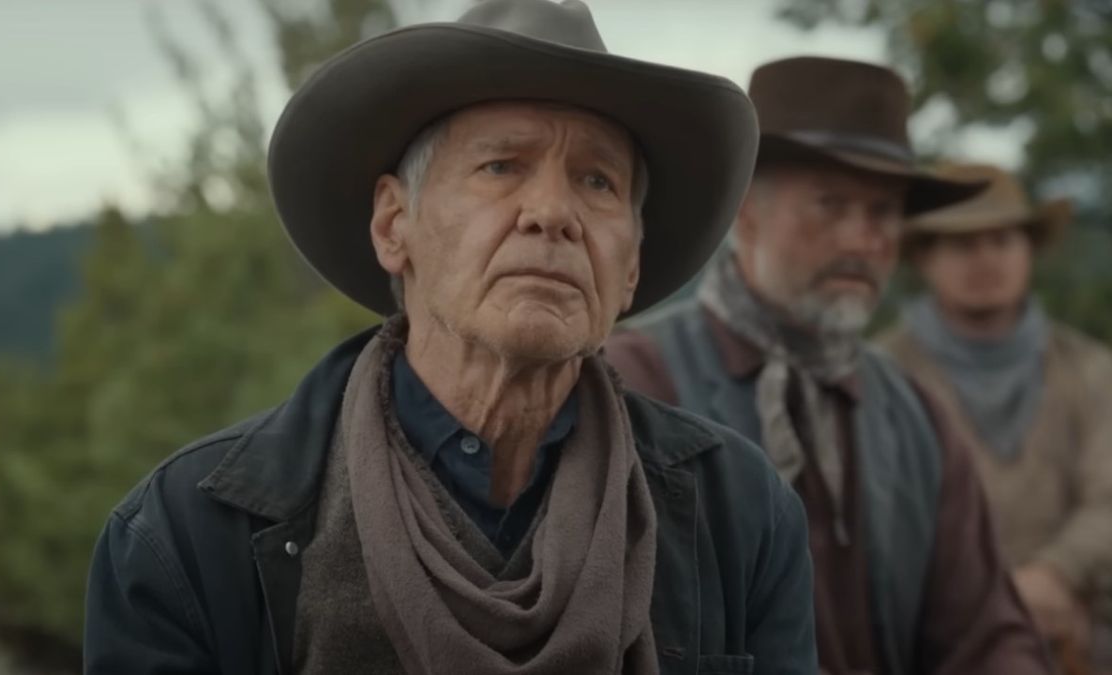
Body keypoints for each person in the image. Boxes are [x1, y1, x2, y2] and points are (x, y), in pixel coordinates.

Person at [83, 2, 818, 673]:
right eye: (503, 166)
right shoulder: (184, 537)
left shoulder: (742, 515)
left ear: (630, 267)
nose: (552, 213)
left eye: (598, 182)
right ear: (392, 224)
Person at [605, 57, 1052, 675]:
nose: (862, 239)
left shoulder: (914, 415)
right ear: (746, 211)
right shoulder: (633, 383)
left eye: (882, 212)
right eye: (831, 205)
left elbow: (983, 634)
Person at [879, 162, 1112, 672]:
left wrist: (1056, 572)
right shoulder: (881, 377)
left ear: (1029, 249)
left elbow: (1108, 501)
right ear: (925, 257)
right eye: (963, 244)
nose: (985, 259)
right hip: (929, 637)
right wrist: (985, 603)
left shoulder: (1093, 371)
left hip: (1072, 633)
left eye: (1002, 240)